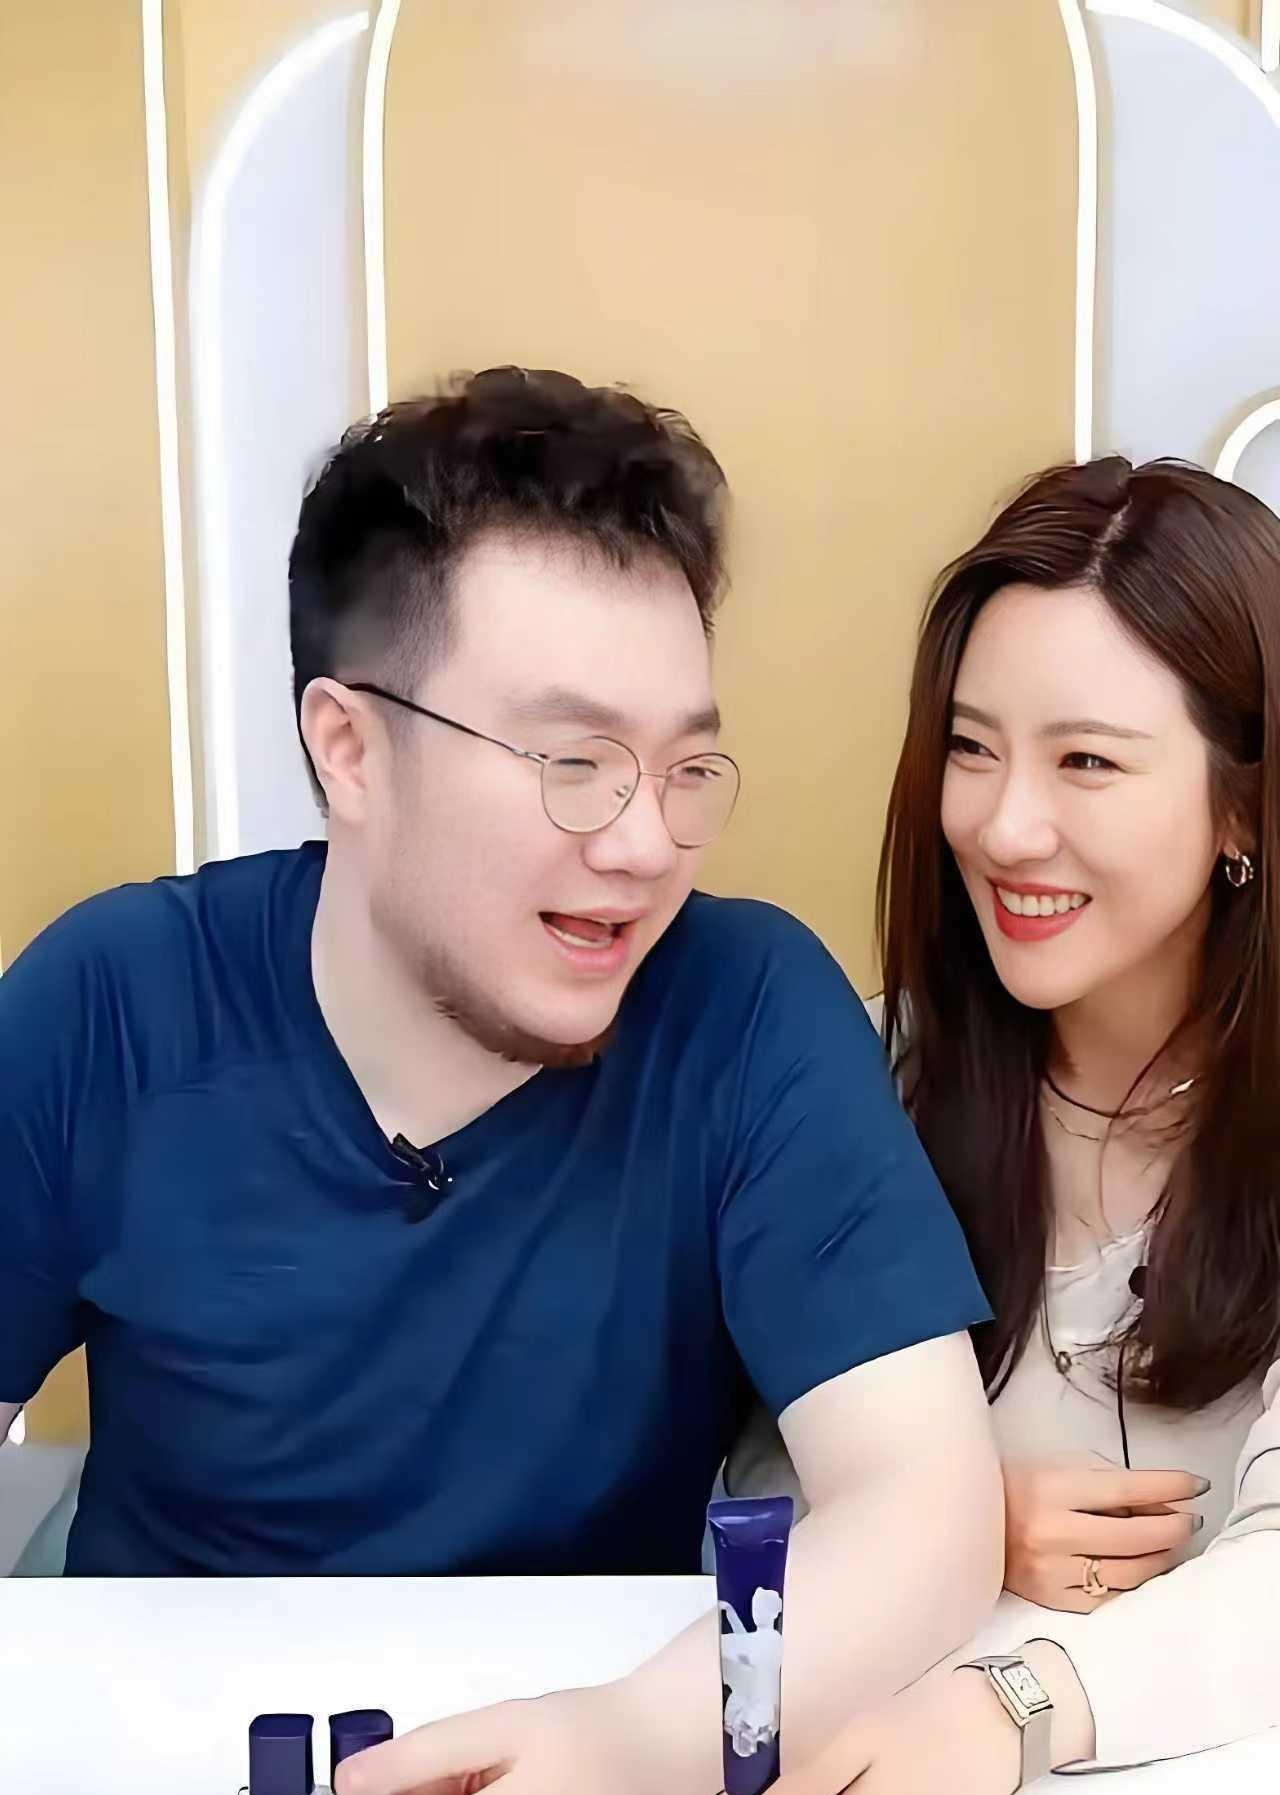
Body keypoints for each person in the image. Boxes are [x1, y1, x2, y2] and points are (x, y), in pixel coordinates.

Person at [0, 369, 1001, 1791]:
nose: (646, 845)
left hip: (593, 1725)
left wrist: (634, 1738)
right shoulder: (113, 1004)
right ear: (350, 748)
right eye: (575, 761)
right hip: (179, 1740)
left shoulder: (745, 1009)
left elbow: (929, 1509)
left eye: (686, 767)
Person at [737, 456, 1280, 1793]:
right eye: (971, 748)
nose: (1002, 824)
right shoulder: (855, 1078)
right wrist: (943, 1522)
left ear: (1243, 806)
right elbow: (725, 1482)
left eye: (1086, 760)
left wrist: (1015, 1708)